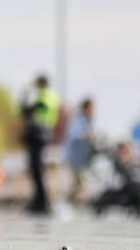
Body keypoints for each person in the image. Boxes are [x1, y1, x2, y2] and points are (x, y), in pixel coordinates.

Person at [22, 74, 59, 216]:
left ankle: (41, 202)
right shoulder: (50, 95)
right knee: (36, 168)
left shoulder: (44, 96)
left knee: (36, 168)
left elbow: (27, 111)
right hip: (43, 133)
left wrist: (26, 95)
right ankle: (39, 200)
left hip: (38, 133)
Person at [93, 141, 140, 217]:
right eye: (124, 152)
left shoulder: (128, 164)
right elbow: (117, 179)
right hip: (117, 189)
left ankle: (136, 209)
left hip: (126, 189)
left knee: (137, 187)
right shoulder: (116, 163)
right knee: (135, 188)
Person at [63, 97, 96, 204]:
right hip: (74, 157)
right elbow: (74, 134)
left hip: (81, 158)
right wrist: (86, 135)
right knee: (79, 183)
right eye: (91, 107)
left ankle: (67, 202)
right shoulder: (79, 120)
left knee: (79, 183)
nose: (93, 110)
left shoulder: (88, 120)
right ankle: (64, 202)